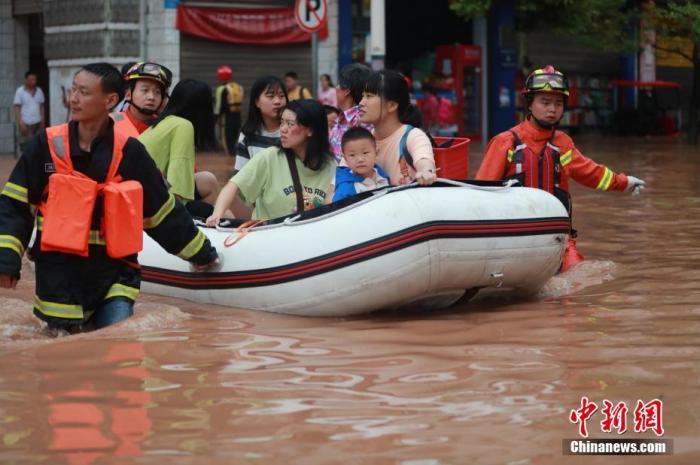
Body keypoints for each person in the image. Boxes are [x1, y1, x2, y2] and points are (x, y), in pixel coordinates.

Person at [0, 62, 218, 331]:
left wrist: (202, 253)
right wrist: (7, 258)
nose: (74, 99)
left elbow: (162, 213)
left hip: (114, 275)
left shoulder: (130, 153)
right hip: (59, 279)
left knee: (119, 346)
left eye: (84, 92)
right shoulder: (44, 146)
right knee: (61, 354)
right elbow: (15, 206)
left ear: (110, 100)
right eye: (73, 90)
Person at [475, 65, 646, 271]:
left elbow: (592, 173)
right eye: (545, 102)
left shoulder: (563, 143)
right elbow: (480, 194)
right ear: (529, 104)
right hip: (514, 237)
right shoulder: (506, 142)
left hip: (558, 239)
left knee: (576, 283)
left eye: (558, 103)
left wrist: (624, 183)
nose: (552, 109)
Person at [206, 99, 336, 224]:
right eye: (282, 122)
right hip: (268, 235)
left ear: (310, 130)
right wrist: (217, 214)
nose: (283, 129)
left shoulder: (331, 165)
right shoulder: (270, 157)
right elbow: (232, 186)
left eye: (290, 124)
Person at [139, 79, 221, 218]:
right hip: (151, 202)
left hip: (143, 191)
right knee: (224, 213)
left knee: (207, 180)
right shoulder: (184, 126)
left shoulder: (165, 121)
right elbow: (178, 176)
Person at [359, 70, 437, 186]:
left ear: (392, 105)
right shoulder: (361, 140)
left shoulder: (413, 136)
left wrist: (425, 171)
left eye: (369, 96)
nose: (361, 103)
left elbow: (424, 161)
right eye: (363, 96)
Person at [234, 76, 287, 173]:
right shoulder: (247, 135)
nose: (278, 101)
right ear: (257, 102)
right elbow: (240, 175)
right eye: (271, 96)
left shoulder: (293, 132)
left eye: (282, 96)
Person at [112, 61, 173, 137]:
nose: (151, 97)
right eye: (145, 90)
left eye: (157, 92)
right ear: (128, 94)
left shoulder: (166, 126)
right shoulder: (111, 121)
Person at [329, 63, 373, 162]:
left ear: (346, 91)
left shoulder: (362, 120)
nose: (335, 88)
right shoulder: (342, 118)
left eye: (338, 84)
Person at [332, 127, 389, 202]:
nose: (360, 159)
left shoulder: (381, 174)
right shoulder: (345, 188)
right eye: (352, 155)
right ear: (345, 159)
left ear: (376, 153)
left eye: (365, 153)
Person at [214, 65, 244, 156]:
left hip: (227, 117)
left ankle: (230, 155)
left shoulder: (221, 89)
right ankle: (234, 152)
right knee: (235, 134)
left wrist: (216, 117)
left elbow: (219, 106)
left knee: (226, 137)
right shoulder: (238, 87)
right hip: (237, 115)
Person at [14, 70, 45, 154]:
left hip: (37, 122)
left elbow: (41, 107)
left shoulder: (39, 91)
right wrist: (20, 122)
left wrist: (42, 120)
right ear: (26, 80)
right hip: (25, 122)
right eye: (31, 79)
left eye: (34, 79)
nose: (33, 81)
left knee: (37, 143)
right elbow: (17, 108)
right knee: (24, 144)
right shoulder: (20, 91)